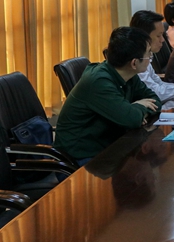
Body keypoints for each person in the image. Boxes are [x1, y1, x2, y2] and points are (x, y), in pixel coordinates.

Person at [54, 27, 162, 164]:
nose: (150, 58)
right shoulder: (99, 81)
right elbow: (132, 119)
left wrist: (134, 110)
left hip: (108, 145)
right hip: (80, 156)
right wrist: (136, 108)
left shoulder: (128, 74)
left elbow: (155, 101)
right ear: (134, 63)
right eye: (149, 54)